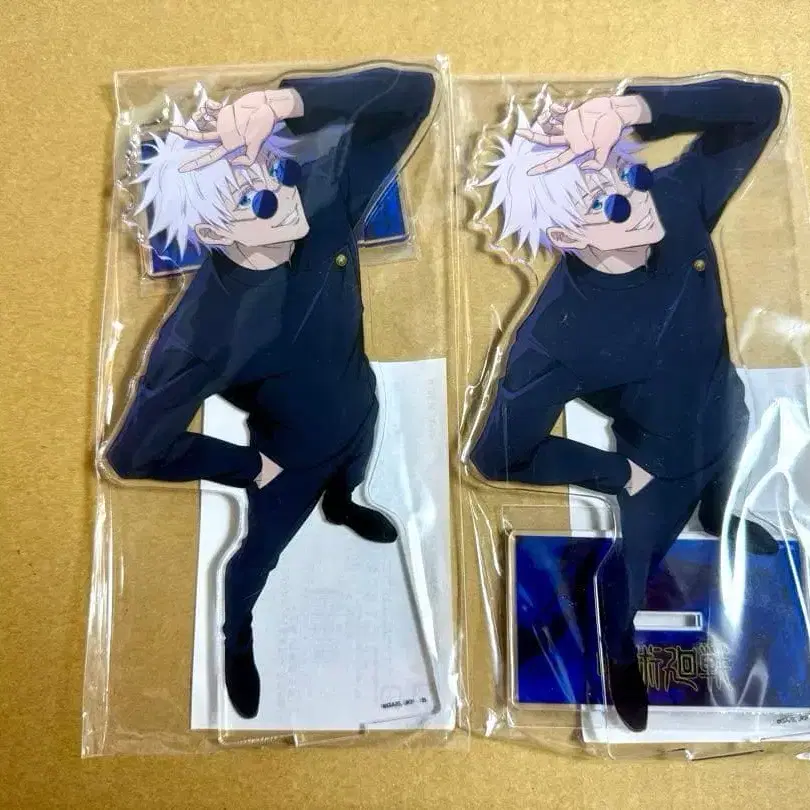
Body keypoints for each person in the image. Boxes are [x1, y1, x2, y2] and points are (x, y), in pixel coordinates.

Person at [104, 65, 437, 719]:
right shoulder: (202, 334)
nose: (276, 193)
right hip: (287, 462)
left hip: (360, 410)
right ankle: (238, 636)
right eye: (250, 199)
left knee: (350, 479)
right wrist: (246, 466)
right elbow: (131, 454)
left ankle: (343, 504)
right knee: (257, 560)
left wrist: (283, 101)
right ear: (211, 228)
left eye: (271, 172)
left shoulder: (318, 203)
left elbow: (412, 94)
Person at [470, 76, 783, 731]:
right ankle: (618, 655)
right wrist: (611, 472)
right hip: (656, 467)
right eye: (605, 205)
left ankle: (722, 514)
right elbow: (495, 453)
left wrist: (637, 108)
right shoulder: (555, 335)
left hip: (727, 411)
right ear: (564, 231)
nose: (633, 200)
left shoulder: (672, 199)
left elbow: (761, 109)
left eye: (628, 178)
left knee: (727, 479)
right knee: (630, 572)